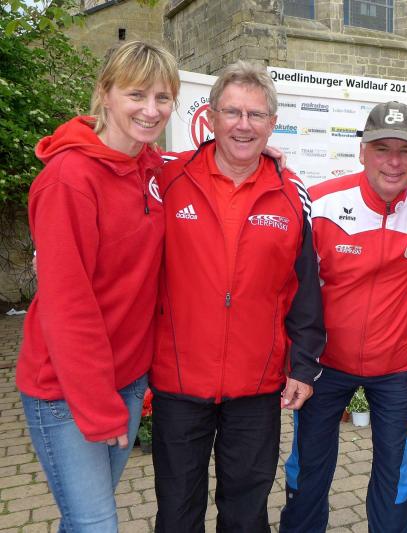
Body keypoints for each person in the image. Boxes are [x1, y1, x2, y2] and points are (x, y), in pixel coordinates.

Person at [149, 60, 325, 532]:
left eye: (255, 114)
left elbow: (305, 289)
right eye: (232, 112)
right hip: (179, 381)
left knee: (246, 515)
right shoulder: (168, 178)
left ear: (272, 123)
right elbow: (112, 148)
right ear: (210, 117)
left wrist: (303, 366)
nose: (243, 125)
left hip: (256, 386)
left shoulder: (292, 193)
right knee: (177, 514)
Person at [16, 41, 179, 531]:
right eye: (136, 95)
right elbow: (67, 306)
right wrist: (97, 406)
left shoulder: (149, 167)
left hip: (127, 379)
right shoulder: (69, 180)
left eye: (163, 97)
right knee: (95, 523)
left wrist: (254, 154)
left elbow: (193, 166)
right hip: (67, 391)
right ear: (105, 93)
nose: (151, 110)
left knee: (84, 518)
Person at [279, 101, 407, 533]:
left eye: (406, 150)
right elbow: (289, 287)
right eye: (382, 149)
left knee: (395, 475)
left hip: (397, 368)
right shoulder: (322, 204)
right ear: (362, 151)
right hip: (325, 366)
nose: (394, 162)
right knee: (308, 469)